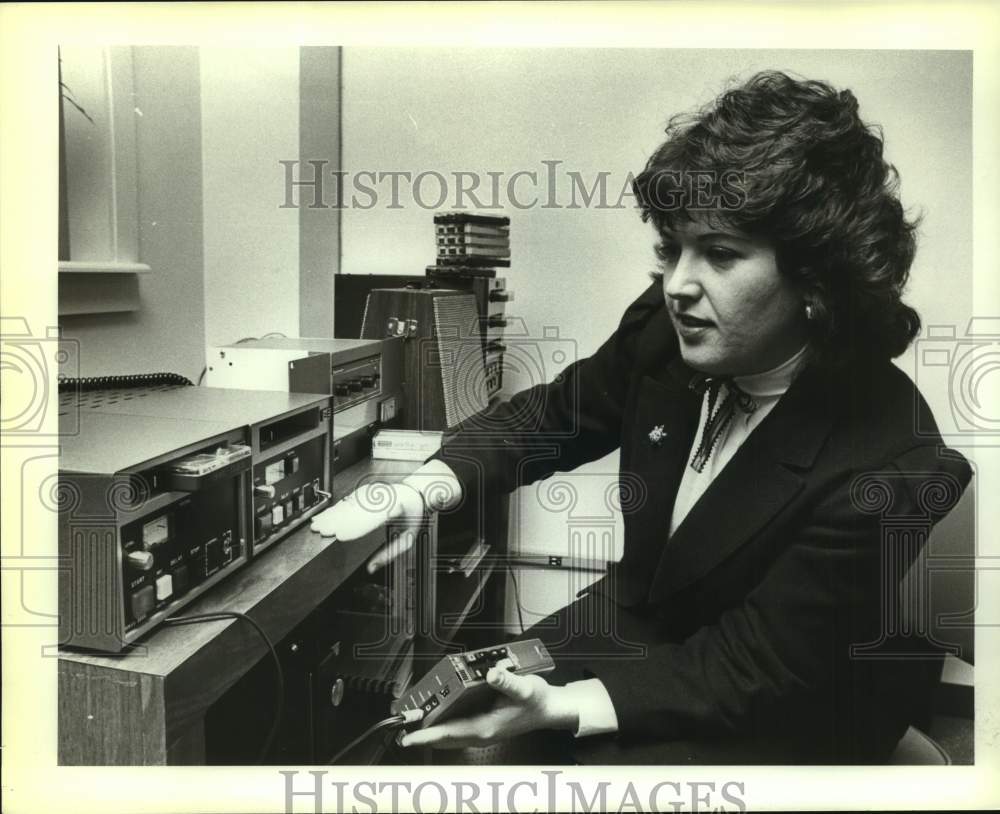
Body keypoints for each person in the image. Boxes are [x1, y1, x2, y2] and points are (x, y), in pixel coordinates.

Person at [312, 70, 972, 764]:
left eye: (719, 254)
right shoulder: (665, 329)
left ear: (816, 278)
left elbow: (759, 663)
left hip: (790, 695)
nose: (678, 284)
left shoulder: (892, 460)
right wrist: (427, 486)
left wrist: (565, 707)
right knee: (435, 733)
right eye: (674, 247)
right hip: (642, 619)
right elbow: (552, 416)